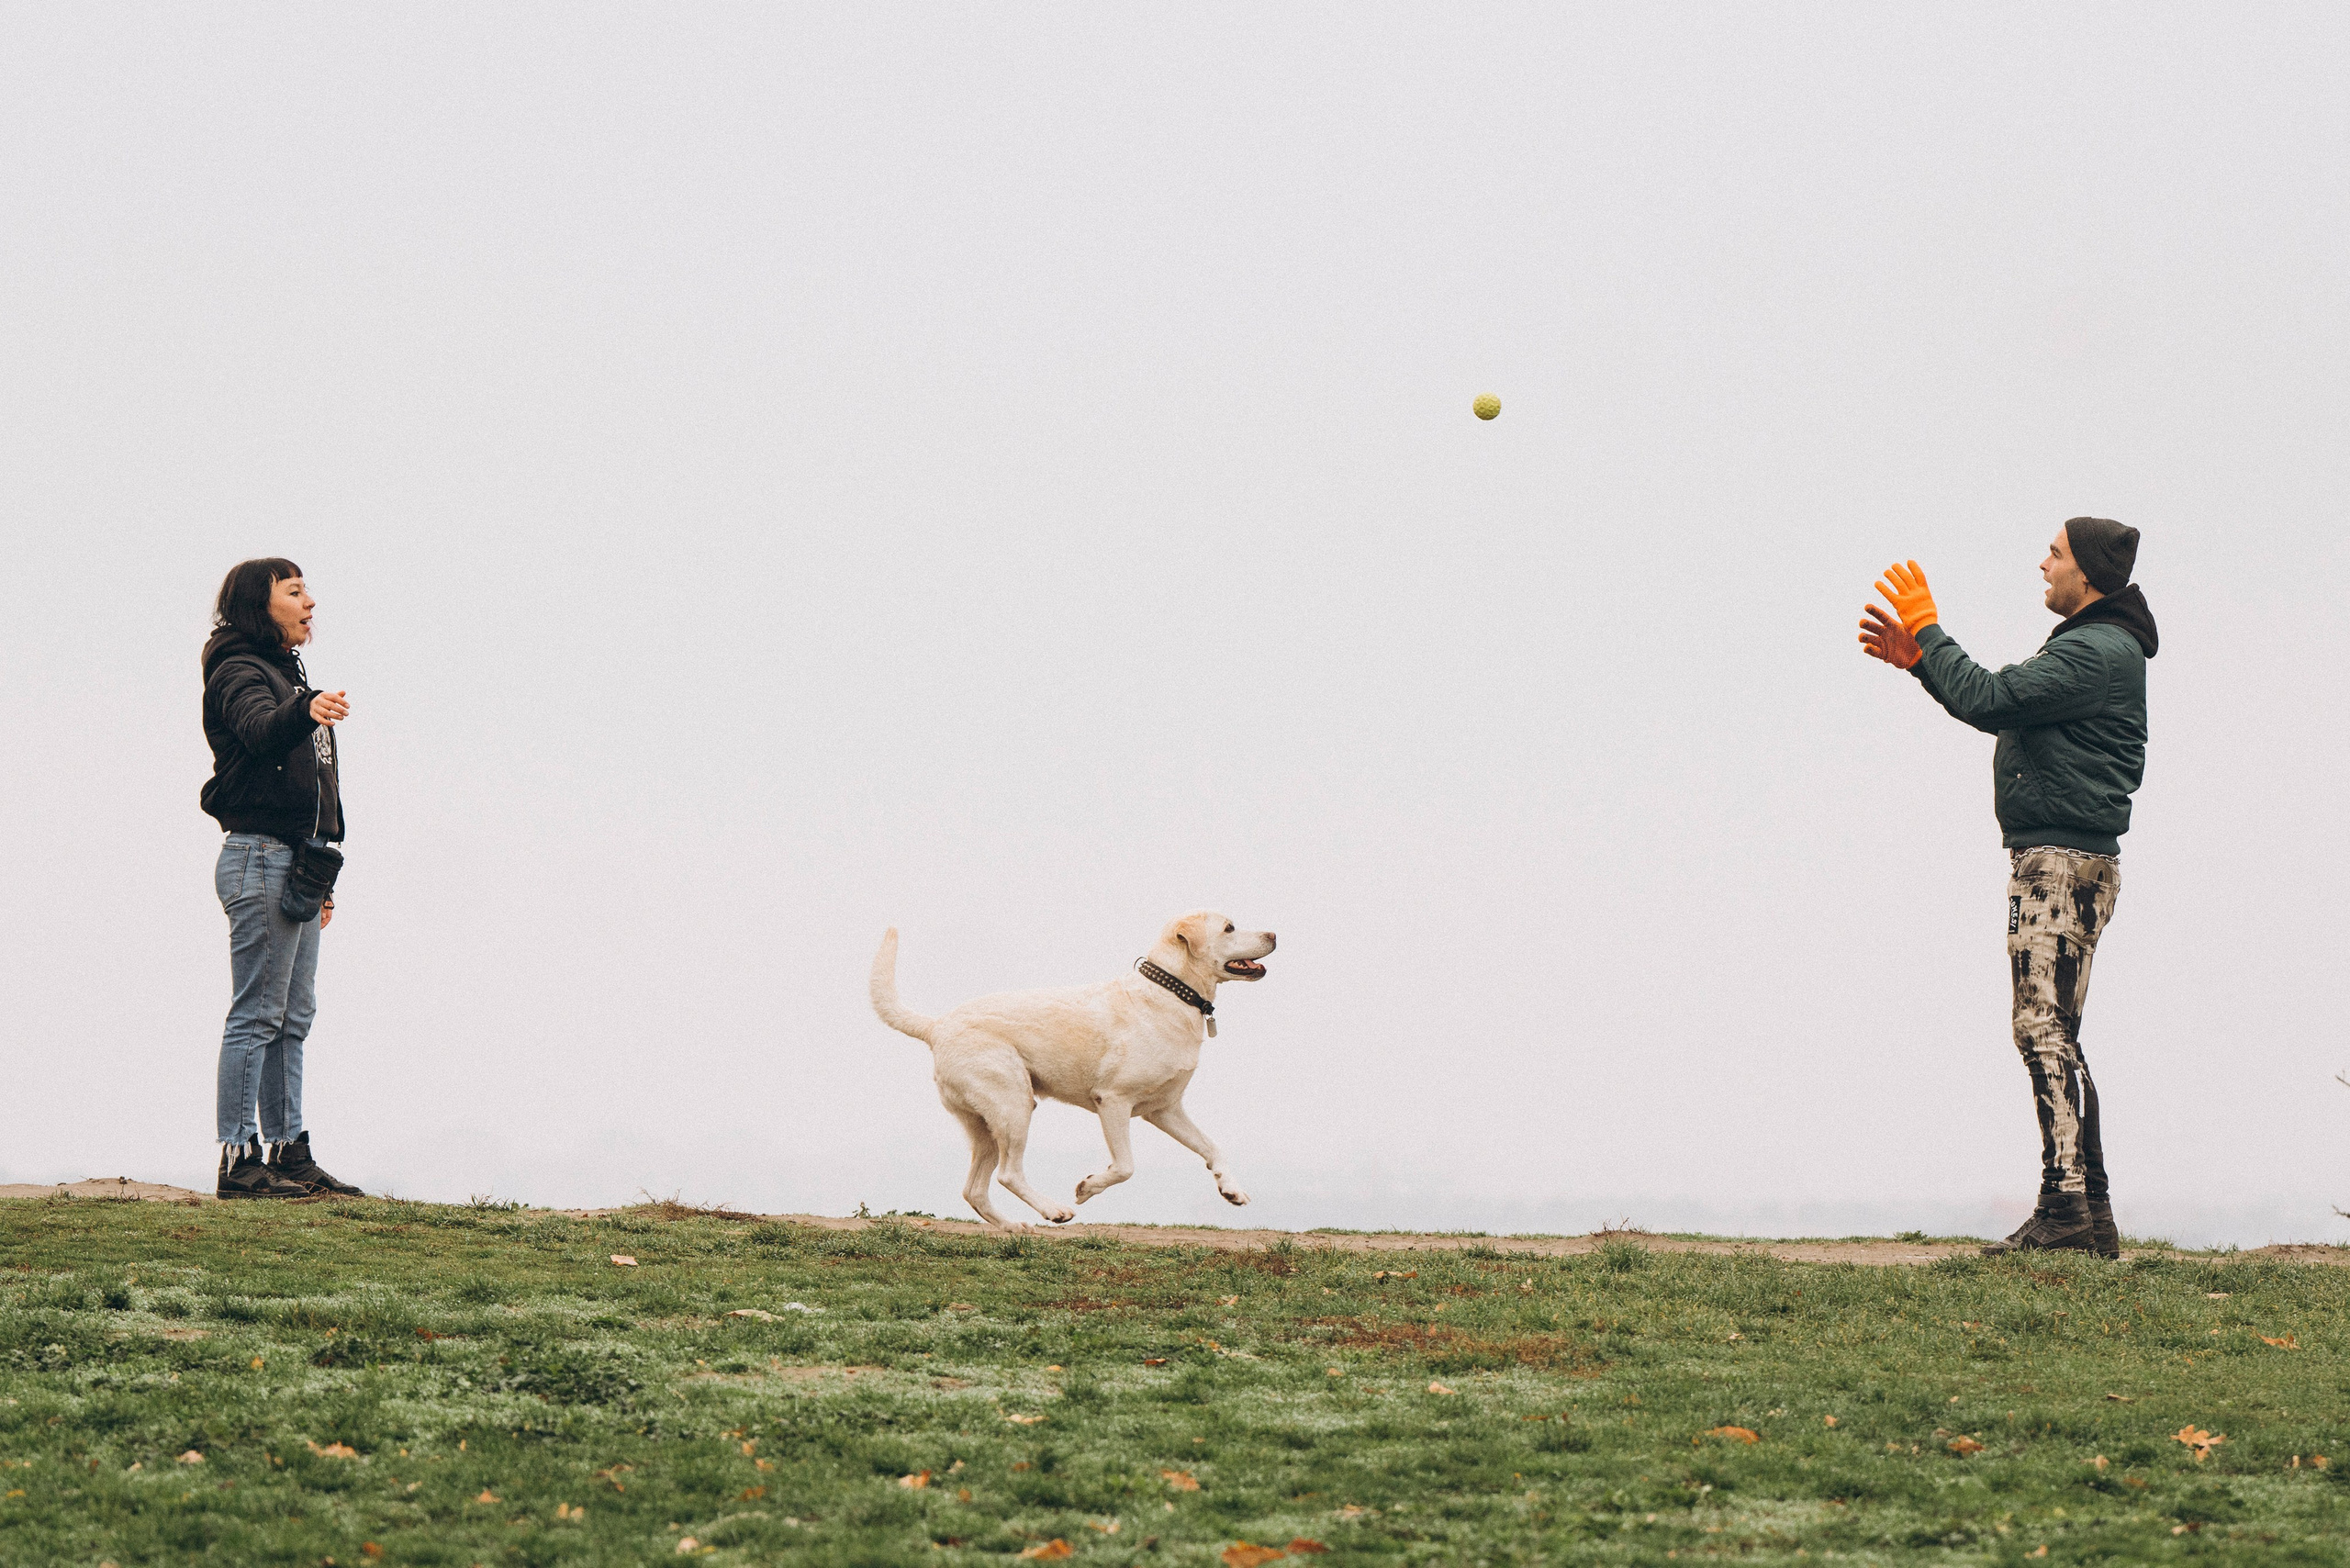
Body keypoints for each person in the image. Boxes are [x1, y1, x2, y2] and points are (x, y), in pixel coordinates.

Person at [1858, 519, 2157, 1258]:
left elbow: (1991, 698)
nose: (2043, 565)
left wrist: (1929, 633)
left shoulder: (2096, 651)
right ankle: (2089, 1215)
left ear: (2086, 574)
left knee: (2041, 1029)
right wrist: (1922, 663)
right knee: (2058, 1033)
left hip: (2060, 863)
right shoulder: (2097, 648)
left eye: (2054, 554)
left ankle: (2067, 1210)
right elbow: (1993, 702)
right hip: (2068, 860)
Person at [199, 559, 364, 1200]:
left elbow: (314, 788)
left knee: (293, 1016)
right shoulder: (237, 670)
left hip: (298, 863)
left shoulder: (288, 679)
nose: (310, 602)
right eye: (294, 591)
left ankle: (288, 1153)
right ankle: (239, 1162)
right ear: (257, 604)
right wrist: (304, 709)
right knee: (258, 1015)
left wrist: (323, 878)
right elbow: (262, 733)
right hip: (259, 857)